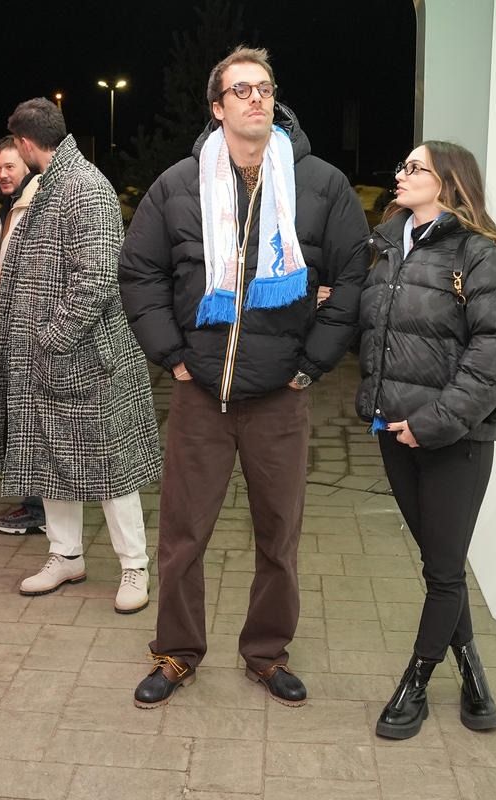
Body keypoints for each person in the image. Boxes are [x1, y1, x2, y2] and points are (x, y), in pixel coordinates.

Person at [119, 46, 370, 708]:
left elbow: (352, 279)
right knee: (182, 537)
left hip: (279, 395)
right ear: (218, 107)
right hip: (200, 392)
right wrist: (170, 354)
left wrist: (313, 362)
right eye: (241, 90)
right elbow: (139, 273)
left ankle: (266, 652)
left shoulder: (321, 185)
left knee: (279, 538)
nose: (256, 98)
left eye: (264, 88)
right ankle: (177, 651)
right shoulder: (179, 184)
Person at [357, 141, 496, 739]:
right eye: (401, 166)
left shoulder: (479, 256)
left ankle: (416, 684)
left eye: (415, 168)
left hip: (456, 438)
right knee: (441, 565)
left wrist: (432, 422)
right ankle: (473, 674)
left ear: (449, 183)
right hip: (394, 432)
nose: (401, 174)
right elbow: (375, 332)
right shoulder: (387, 247)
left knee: (444, 570)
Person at [0, 98, 162, 613]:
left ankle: (134, 567)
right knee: (49, 459)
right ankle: (65, 555)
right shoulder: (49, 186)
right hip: (49, 360)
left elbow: (98, 280)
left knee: (110, 464)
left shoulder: (85, 187)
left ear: (24, 143)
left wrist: (50, 338)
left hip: (87, 359)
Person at [0, 136, 47, 537]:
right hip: (14, 324)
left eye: (9, 166)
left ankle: (39, 508)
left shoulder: (36, 200)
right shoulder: (13, 205)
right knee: (22, 417)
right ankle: (38, 503)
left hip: (32, 327)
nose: (3, 174)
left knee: (33, 420)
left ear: (26, 162)